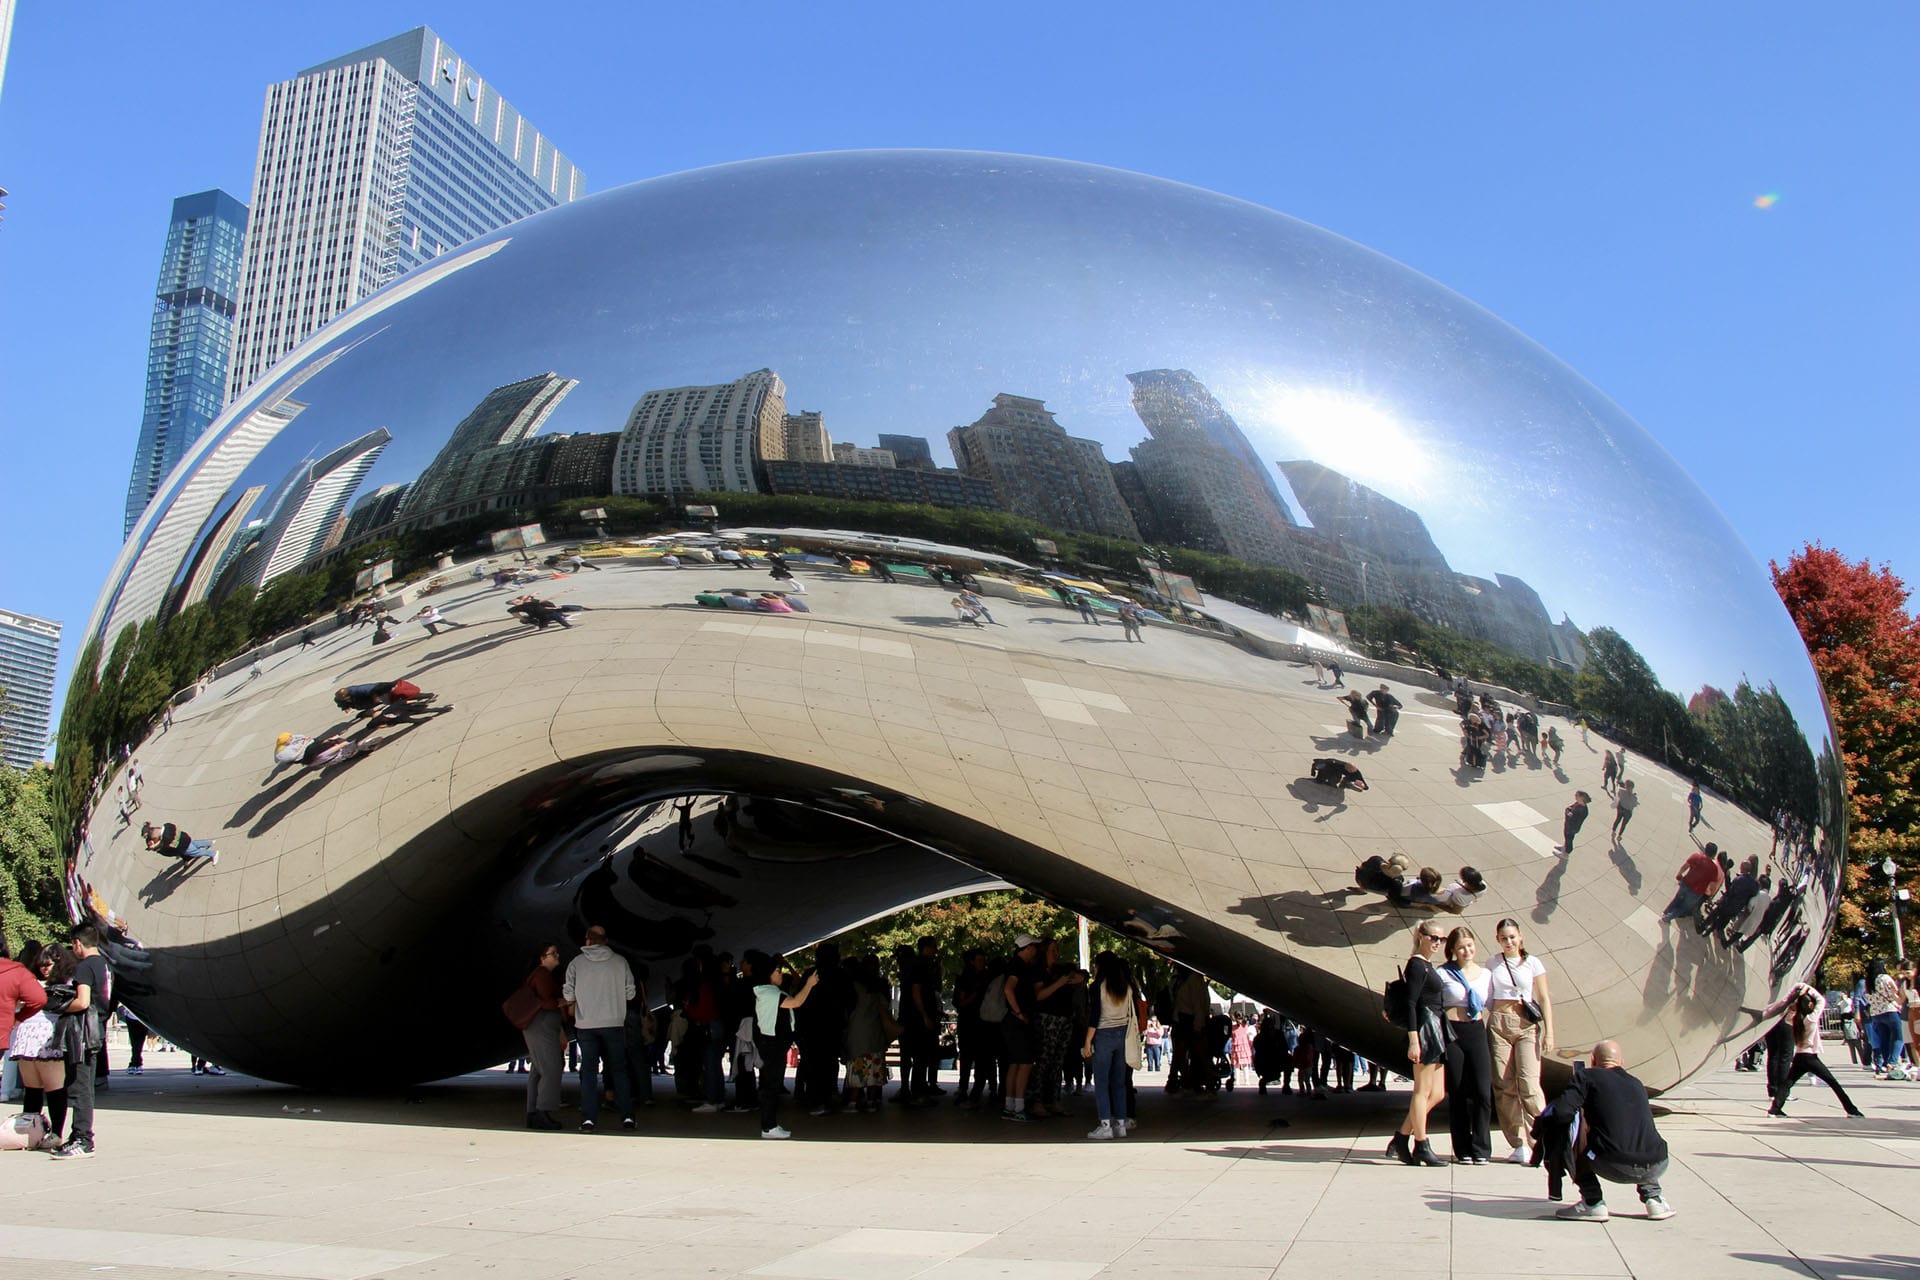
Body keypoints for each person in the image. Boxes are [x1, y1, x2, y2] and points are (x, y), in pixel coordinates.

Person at [1552, 1042, 1674, 1222]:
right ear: (1622, 1062)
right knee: (1635, 1130)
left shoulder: (1586, 1076)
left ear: (1593, 1061)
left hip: (1613, 1164)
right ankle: (1654, 1199)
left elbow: (1561, 1113)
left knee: (1569, 1129)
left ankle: (1592, 1201)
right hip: (1657, 1164)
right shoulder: (1636, 1083)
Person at [1489, 919, 1554, 1163]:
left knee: (1529, 1084)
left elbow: (1544, 998)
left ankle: (1541, 1139)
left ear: (1521, 937)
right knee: (1504, 1084)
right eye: (1504, 938)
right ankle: (1517, 1142)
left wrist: (1549, 1031)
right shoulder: (1493, 963)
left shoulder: (1533, 963)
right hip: (1499, 1023)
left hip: (1526, 1026)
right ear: (1498, 939)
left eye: (1512, 937)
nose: (1509, 942)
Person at [562, 926, 637, 1132]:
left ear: (587, 940)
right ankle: (627, 1117)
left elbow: (568, 992)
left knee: (588, 1072)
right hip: (613, 1022)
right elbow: (630, 993)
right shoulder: (620, 962)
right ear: (605, 940)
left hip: (586, 1024)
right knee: (619, 1070)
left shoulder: (576, 963)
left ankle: (588, 1119)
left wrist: (575, 1001)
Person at [1388, 922, 1450, 1167]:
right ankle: (1421, 1144)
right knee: (1422, 1092)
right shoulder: (1416, 964)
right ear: (1421, 937)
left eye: (1441, 939)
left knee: (1438, 1093)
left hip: (1436, 1028)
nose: (1437, 942)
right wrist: (1414, 1040)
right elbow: (1411, 1003)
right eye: (1433, 937)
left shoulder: (1426, 963)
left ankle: (1402, 1136)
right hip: (1424, 1029)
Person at [1762, 983, 1862, 1118]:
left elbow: (1789, 1012)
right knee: (1833, 1082)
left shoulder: (1793, 1019)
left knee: (1787, 1083)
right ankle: (1851, 1109)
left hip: (1799, 1055)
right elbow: (1821, 1000)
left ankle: (1775, 1109)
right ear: (1809, 1005)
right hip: (1809, 1056)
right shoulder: (1811, 1018)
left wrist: (1793, 997)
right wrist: (1806, 987)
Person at [1438, 926, 1493, 1164]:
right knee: (1458, 1091)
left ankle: (1481, 1147)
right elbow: (1434, 1003)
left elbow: (1492, 1004)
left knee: (1482, 1092)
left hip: (1476, 1031)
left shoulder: (1486, 974)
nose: (1466, 950)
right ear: (1452, 950)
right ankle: (1462, 1148)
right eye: (1461, 947)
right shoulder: (1444, 973)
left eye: (1469, 945)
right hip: (1453, 1032)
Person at [749, 953, 817, 1139]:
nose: (781, 974)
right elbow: (796, 1002)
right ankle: (768, 1126)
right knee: (771, 1084)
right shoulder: (769, 993)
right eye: (777, 971)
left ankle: (769, 1125)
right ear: (768, 974)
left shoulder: (764, 991)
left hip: (771, 1042)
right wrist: (809, 985)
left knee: (771, 1083)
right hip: (772, 1043)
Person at [11, 943, 71, 1150]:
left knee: (54, 1088)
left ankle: (56, 1133)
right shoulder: (30, 981)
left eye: (49, 964)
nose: (45, 968)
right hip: (26, 1037)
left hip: (49, 1038)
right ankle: (30, 1131)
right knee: (32, 1088)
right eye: (42, 964)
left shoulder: (67, 983)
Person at [1081, 952, 1138, 1139]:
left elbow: (1095, 1016)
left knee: (1102, 1082)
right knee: (1119, 1082)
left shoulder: (1099, 986)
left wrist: (1088, 1041)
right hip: (1122, 1033)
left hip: (1103, 1034)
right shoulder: (1125, 986)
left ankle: (1105, 1124)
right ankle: (1120, 1124)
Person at [512, 944, 568, 1130]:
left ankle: (534, 1112)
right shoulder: (542, 975)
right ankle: (543, 1111)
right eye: (553, 954)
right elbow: (546, 1001)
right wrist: (561, 1003)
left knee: (538, 1069)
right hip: (542, 1025)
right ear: (542, 958)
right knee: (551, 1069)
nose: (557, 956)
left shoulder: (539, 975)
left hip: (540, 1026)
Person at [1000, 934, 1045, 1122]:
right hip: (1018, 1021)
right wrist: (1019, 1012)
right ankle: (1019, 1107)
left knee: (1015, 1063)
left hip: (1012, 1021)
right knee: (1025, 1063)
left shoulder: (1015, 964)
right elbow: (1008, 989)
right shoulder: (1018, 967)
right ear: (1027, 948)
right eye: (1034, 946)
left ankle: (1010, 1106)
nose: (1036, 950)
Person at [1661, 844, 1725, 924]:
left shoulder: (1696, 856)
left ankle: (1666, 912)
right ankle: (1667, 917)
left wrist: (1679, 874)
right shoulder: (1714, 869)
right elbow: (1712, 885)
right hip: (1696, 891)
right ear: (1714, 854)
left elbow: (1685, 866)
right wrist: (1710, 893)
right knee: (1684, 907)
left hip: (1686, 883)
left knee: (1676, 899)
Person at [141, 821, 218, 866]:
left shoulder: (166, 837)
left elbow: (163, 845)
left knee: (195, 852)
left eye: (152, 837)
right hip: (185, 837)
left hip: (183, 846)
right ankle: (209, 843)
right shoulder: (166, 825)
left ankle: (213, 853)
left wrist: (154, 845)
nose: (152, 838)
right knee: (194, 844)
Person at [1560, 791, 1590, 855]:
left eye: (1577, 795)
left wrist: (1569, 814)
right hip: (1569, 825)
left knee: (1569, 839)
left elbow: (1575, 819)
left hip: (1572, 828)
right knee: (1566, 837)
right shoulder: (1578, 803)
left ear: (1581, 798)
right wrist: (1568, 812)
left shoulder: (1583, 810)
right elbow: (1569, 808)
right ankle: (1564, 847)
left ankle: (1566, 853)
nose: (1575, 796)